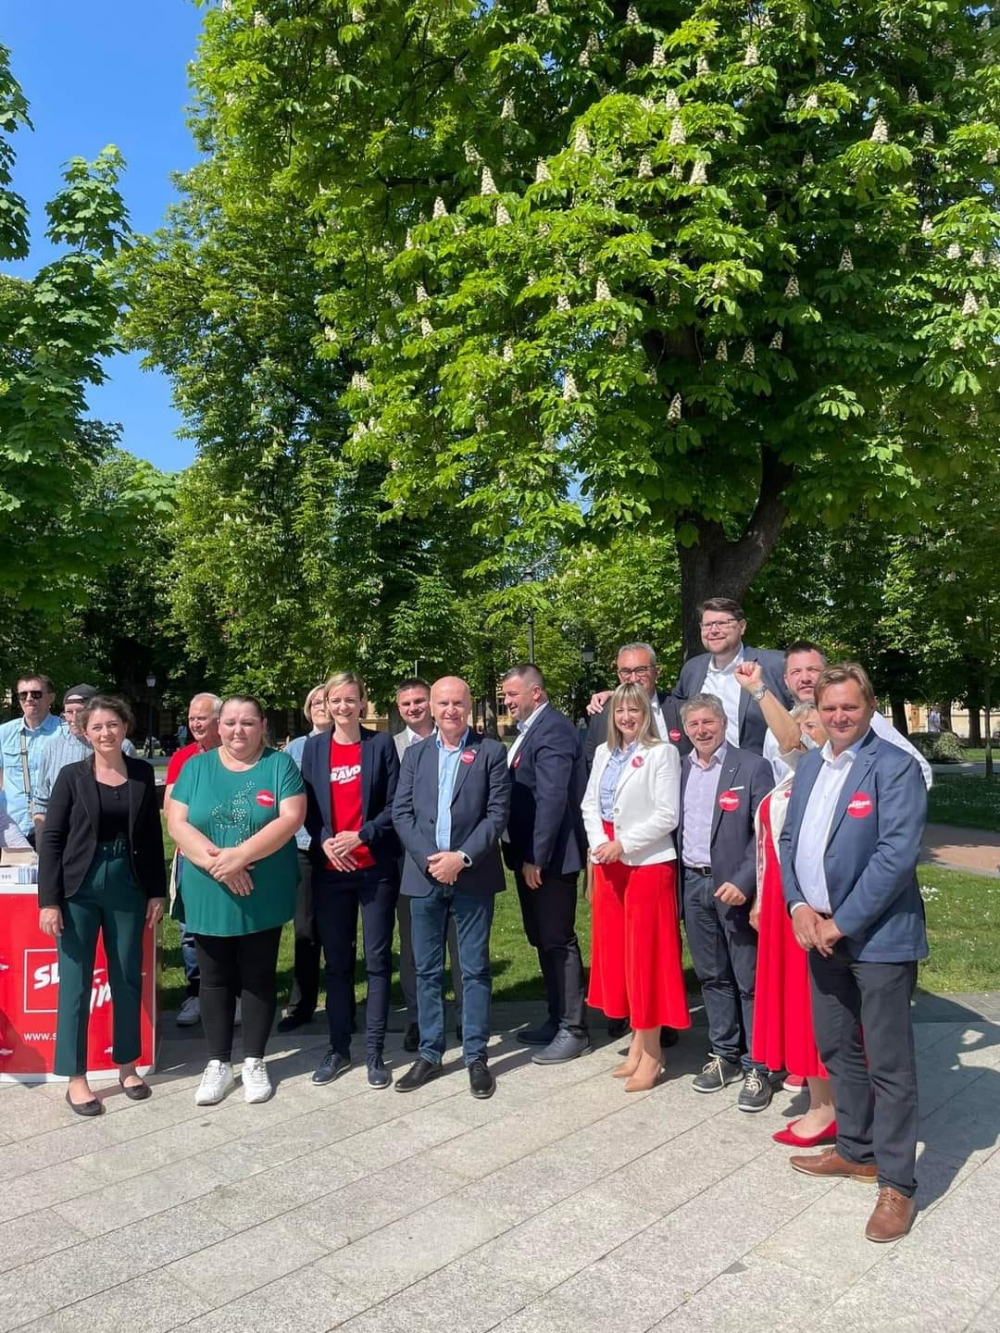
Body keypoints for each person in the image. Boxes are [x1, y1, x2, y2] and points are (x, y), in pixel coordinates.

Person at [780, 663, 928, 1244]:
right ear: (816, 710)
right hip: (818, 934)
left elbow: (895, 856)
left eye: (850, 707)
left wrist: (840, 921)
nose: (839, 717)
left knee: (890, 1064)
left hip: (878, 938)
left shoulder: (894, 767)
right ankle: (857, 1150)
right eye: (829, 708)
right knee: (839, 1048)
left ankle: (898, 1184)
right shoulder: (814, 762)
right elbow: (791, 838)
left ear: (868, 708)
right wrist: (798, 906)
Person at [166, 695, 305, 1106]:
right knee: (214, 977)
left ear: (263, 725)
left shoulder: (279, 766)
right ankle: (217, 1062)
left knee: (258, 976)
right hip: (209, 887)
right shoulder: (196, 767)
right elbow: (176, 821)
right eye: (229, 723)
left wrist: (241, 857)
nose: (237, 731)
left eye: (247, 723)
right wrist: (220, 866)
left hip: (262, 886)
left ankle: (255, 1060)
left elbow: (290, 817)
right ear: (217, 725)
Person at [37, 695, 166, 1115]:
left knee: (127, 975)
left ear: (124, 727)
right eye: (97, 727)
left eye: (113, 724)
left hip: (127, 883)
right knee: (75, 983)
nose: (106, 733)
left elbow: (149, 837)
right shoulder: (72, 776)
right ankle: (76, 1077)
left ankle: (127, 1063)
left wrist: (156, 890)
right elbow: (52, 840)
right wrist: (49, 901)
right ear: (84, 732)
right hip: (79, 888)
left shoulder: (143, 774)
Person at [392, 676, 510, 1099]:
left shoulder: (491, 752)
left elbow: (496, 815)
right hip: (423, 877)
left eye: (458, 702)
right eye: (443, 703)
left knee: (474, 969)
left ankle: (476, 1055)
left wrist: (460, 858)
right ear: (433, 708)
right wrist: (431, 859)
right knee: (425, 969)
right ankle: (429, 1052)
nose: (450, 710)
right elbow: (401, 813)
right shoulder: (416, 755)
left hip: (472, 875)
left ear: (469, 705)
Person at [581, 683, 689, 1090]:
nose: (627, 717)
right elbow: (590, 804)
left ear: (647, 713)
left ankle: (654, 1052)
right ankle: (636, 1044)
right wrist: (599, 846)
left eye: (635, 710)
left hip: (645, 863)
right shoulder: (603, 752)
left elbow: (667, 815)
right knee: (618, 956)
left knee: (647, 957)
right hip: (608, 862)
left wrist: (622, 844)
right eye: (621, 711)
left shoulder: (661, 754)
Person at [301, 671, 401, 1089]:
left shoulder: (380, 746)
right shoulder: (314, 748)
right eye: (334, 700)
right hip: (330, 871)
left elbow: (397, 804)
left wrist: (362, 834)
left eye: (350, 700)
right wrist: (325, 841)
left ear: (363, 703)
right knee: (338, 964)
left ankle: (375, 1052)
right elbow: (306, 806)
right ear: (325, 703)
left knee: (377, 963)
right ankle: (339, 1048)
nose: (342, 707)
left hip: (373, 868)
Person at [677, 692, 773, 1108]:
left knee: (749, 980)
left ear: (723, 723)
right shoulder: (678, 769)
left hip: (733, 886)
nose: (702, 730)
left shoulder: (752, 767)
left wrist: (745, 881)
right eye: (694, 724)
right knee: (712, 975)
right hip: (693, 883)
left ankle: (759, 1064)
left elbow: (765, 834)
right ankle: (724, 1053)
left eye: (708, 722)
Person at [749, 702, 836, 1145]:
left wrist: (759, 690)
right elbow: (770, 847)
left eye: (812, 724)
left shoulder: (824, 774)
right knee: (797, 1004)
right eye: (801, 723)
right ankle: (820, 1098)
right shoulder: (793, 777)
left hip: (812, 905)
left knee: (818, 1003)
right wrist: (762, 899)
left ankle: (830, 1106)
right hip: (784, 902)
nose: (802, 732)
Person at [501, 664, 589, 1064]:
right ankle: (556, 1018)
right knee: (542, 939)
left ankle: (574, 1027)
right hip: (529, 857)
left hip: (549, 859)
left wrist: (537, 855)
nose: (507, 701)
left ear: (536, 693)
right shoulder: (530, 731)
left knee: (558, 940)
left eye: (512, 695)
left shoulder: (552, 729)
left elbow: (552, 798)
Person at [744, 643, 933, 789]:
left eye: (812, 670)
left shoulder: (860, 719)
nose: (805, 678)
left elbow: (919, 769)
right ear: (786, 680)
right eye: (796, 672)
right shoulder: (774, 730)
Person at [393, 676, 463, 1053]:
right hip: (414, 865)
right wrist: (426, 857)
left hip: (460, 865)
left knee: (461, 946)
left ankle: (465, 1019)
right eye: (406, 704)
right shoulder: (395, 748)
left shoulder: (462, 740)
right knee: (416, 951)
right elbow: (397, 809)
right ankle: (419, 1020)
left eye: (420, 701)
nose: (414, 708)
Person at [163, 693, 224, 1029]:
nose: (195, 724)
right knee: (190, 930)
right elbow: (172, 810)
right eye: (192, 718)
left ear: (218, 719)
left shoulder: (233, 754)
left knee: (234, 928)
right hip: (190, 855)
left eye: (202, 718)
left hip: (232, 855)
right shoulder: (182, 758)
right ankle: (196, 992)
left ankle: (235, 995)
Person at [279, 685, 331, 1032]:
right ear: (307, 708)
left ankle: (347, 1003)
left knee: (345, 932)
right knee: (306, 928)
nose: (322, 707)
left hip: (346, 848)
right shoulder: (296, 749)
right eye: (315, 702)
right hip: (305, 848)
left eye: (328, 700)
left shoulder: (357, 744)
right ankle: (302, 1003)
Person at [673, 600, 791, 754]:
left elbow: (805, 710)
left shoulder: (775, 664)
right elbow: (674, 711)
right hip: (706, 770)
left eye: (722, 623)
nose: (714, 630)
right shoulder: (692, 669)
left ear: (742, 627)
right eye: (707, 625)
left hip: (763, 771)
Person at [33, 685, 137, 832]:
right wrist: (41, 843)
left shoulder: (122, 746)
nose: (75, 717)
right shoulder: (52, 748)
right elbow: (41, 801)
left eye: (80, 711)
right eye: (69, 712)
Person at [583, 643, 691, 769]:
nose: (634, 678)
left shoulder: (682, 710)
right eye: (626, 671)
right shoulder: (602, 714)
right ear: (619, 675)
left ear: (656, 672)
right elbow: (592, 762)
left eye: (641, 670)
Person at [0, 672, 62, 844]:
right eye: (23, 694)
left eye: (36, 694)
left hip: (56, 828)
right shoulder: (4, 733)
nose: (29, 699)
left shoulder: (65, 733)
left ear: (51, 698)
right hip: (14, 830)